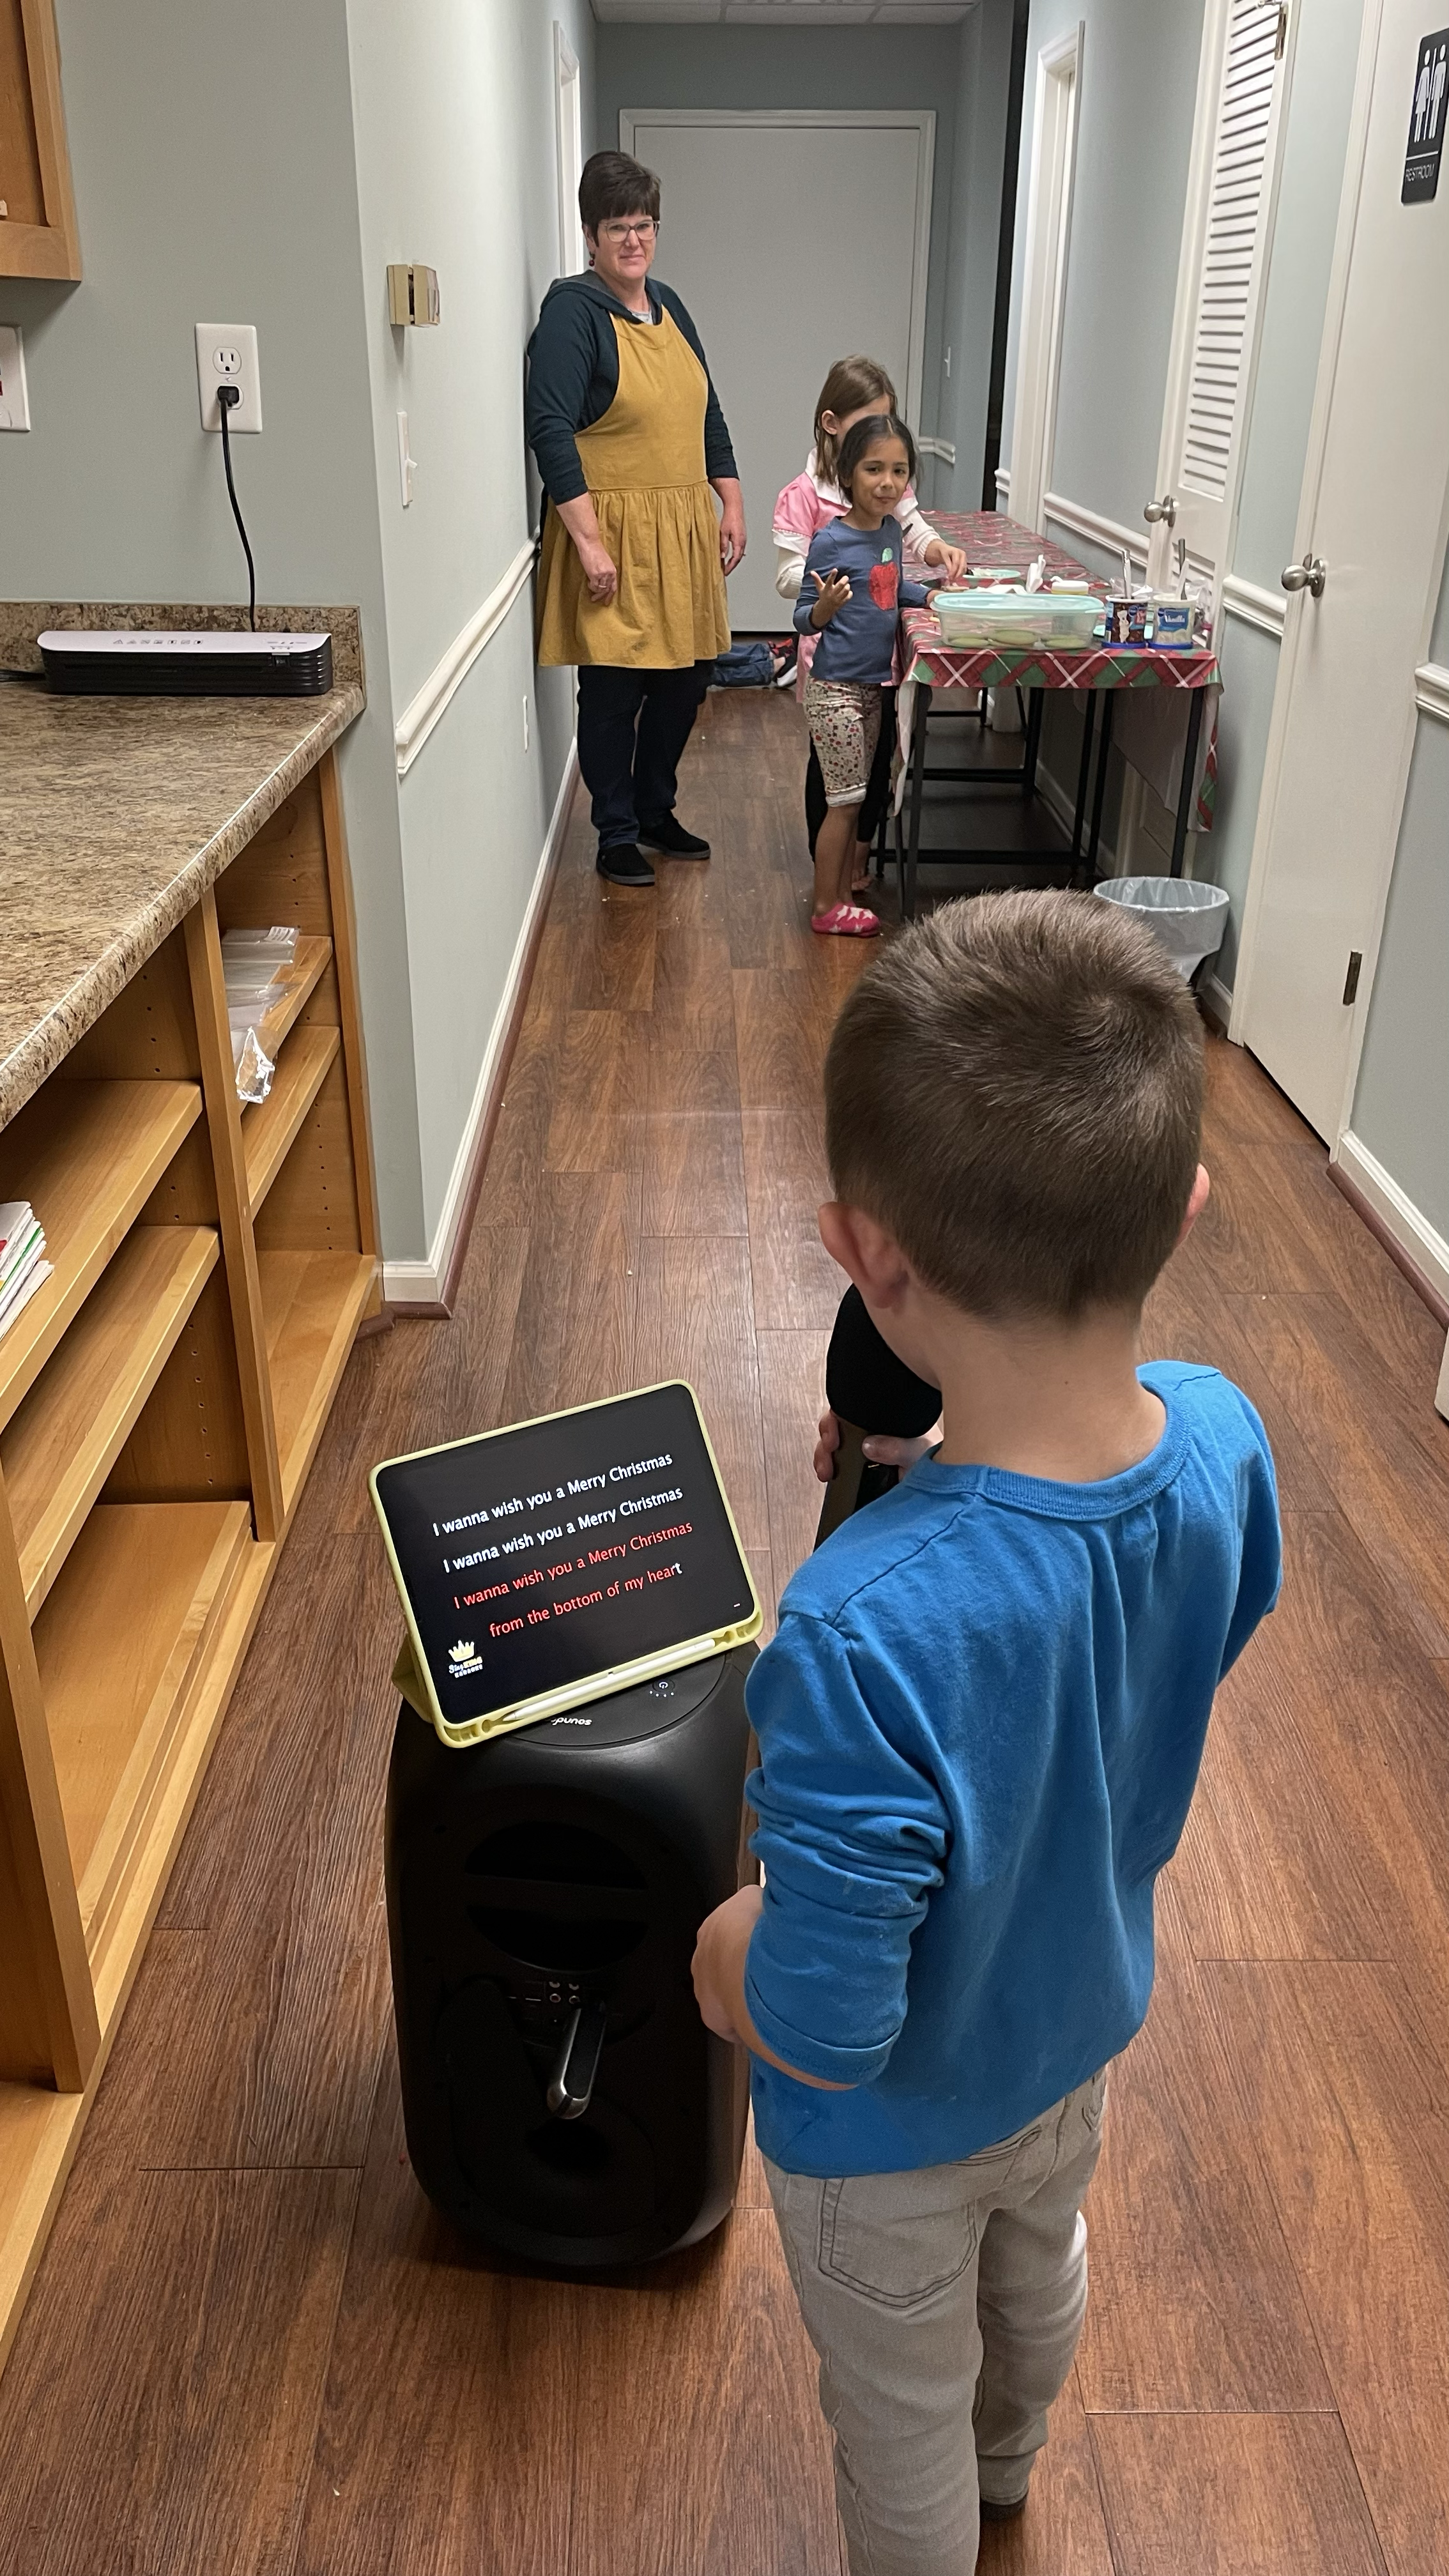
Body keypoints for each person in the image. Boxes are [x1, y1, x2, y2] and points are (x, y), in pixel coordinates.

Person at [692, 891, 1282, 2576]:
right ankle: (1014, 2463)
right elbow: (1181, 1620)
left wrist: (726, 1955)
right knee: (1037, 2278)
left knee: (896, 2410)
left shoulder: (857, 1628)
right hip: (1070, 2035)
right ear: (1182, 1204)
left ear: (865, 1260)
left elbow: (822, 2012)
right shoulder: (1226, 1441)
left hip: (884, 2144)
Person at [526, 151, 745, 889]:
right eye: (616, 227)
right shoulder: (572, 314)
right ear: (590, 236)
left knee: (687, 680)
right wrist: (588, 543)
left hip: (680, 528)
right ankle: (615, 830)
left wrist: (731, 501)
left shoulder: (672, 306)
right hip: (611, 527)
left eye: (643, 225)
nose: (632, 241)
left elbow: (705, 410)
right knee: (615, 689)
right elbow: (551, 429)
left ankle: (656, 809)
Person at [774, 358, 968, 900]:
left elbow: (912, 534)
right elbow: (793, 581)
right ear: (834, 423)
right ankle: (827, 878)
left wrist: (934, 558)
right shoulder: (807, 497)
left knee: (875, 764)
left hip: (877, 658)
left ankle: (855, 867)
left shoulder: (885, 490)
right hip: (832, 656)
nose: (883, 442)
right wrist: (834, 584)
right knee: (833, 776)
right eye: (869, 425)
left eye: (890, 422)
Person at [793, 414, 934, 934]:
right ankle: (825, 907)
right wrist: (825, 609)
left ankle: (834, 899)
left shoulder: (892, 531)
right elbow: (802, 615)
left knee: (853, 800)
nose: (887, 482)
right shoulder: (831, 541)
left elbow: (890, 586)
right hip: (835, 691)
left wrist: (928, 594)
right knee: (844, 802)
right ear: (848, 473)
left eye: (899, 471)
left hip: (874, 688)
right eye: (874, 469)